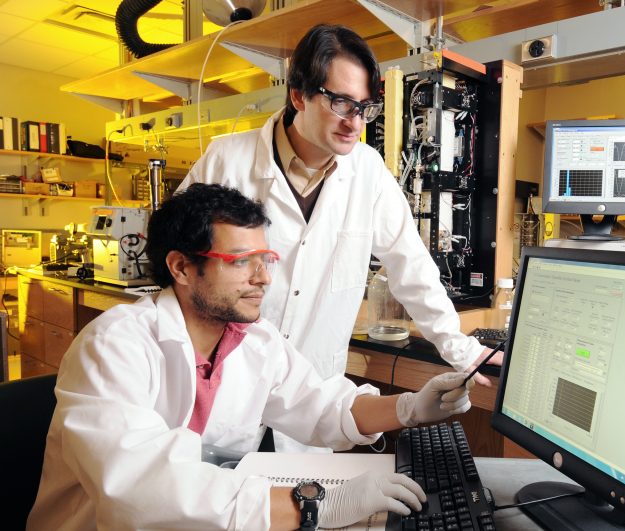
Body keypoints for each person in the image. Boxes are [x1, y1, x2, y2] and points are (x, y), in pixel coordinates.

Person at [27, 183, 474, 530]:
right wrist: (314, 504)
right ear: (181, 267)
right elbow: (136, 491)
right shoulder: (114, 345)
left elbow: (322, 406)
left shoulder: (253, 339)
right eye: (241, 261)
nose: (264, 278)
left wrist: (409, 408)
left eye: (266, 259)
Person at [181, 24, 501, 453]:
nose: (355, 123)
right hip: (223, 391)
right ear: (299, 96)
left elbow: (410, 265)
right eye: (341, 103)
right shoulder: (226, 160)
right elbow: (175, 258)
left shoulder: (367, 171)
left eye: (365, 107)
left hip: (313, 397)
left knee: (304, 492)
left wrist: (459, 347)